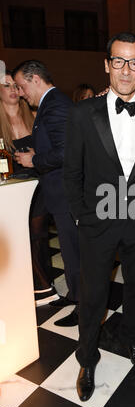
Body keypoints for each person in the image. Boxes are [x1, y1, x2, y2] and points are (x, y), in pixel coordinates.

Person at [64, 32, 135, 402]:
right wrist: (83, 216)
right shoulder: (82, 113)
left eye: (134, 62)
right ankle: (87, 358)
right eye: (119, 60)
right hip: (97, 221)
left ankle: (131, 340)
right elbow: (72, 172)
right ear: (106, 64)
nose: (126, 70)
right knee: (93, 293)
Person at [13, 60, 81, 320]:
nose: (20, 93)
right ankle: (76, 294)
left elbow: (67, 151)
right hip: (60, 193)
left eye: (21, 86)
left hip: (66, 194)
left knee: (74, 252)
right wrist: (38, 153)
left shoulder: (55, 106)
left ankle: (84, 306)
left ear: (35, 80)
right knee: (69, 250)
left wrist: (35, 160)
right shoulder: (50, 105)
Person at [0, 70, 54, 302]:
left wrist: (37, 154)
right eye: (6, 85)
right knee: (23, 237)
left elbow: (50, 149)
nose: (13, 89)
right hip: (12, 189)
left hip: (39, 183)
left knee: (39, 235)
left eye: (15, 85)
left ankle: (43, 282)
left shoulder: (34, 116)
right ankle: (37, 284)